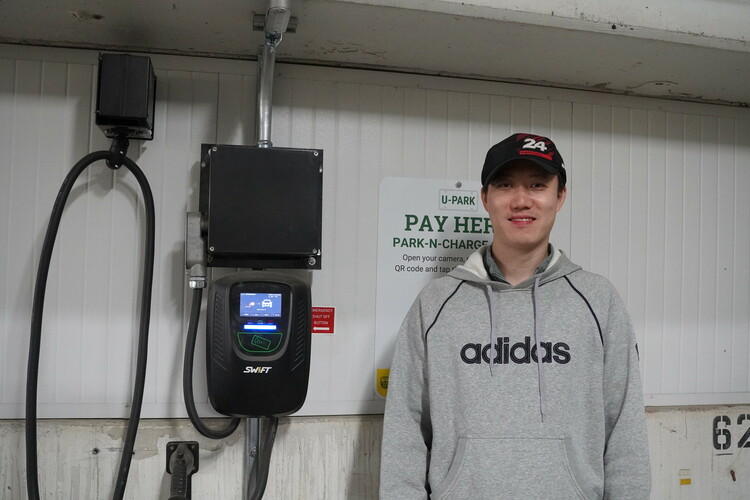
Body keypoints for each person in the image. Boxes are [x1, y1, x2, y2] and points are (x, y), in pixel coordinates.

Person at [380, 133, 651, 499]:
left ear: (560, 197)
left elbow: (625, 429)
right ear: (485, 199)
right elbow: (405, 427)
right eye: (505, 185)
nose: (521, 200)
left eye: (537, 185)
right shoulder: (436, 302)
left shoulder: (598, 300)